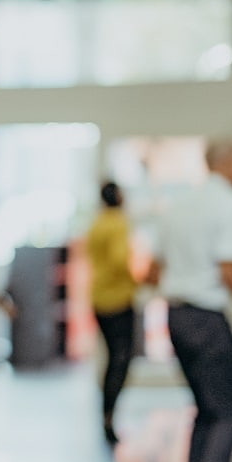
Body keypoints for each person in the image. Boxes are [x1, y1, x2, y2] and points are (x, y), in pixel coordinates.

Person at [148, 141, 232, 462]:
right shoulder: (225, 203)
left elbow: (151, 269)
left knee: (206, 407)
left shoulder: (180, 204)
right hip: (205, 312)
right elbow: (229, 270)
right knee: (226, 410)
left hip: (176, 314)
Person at [85, 181, 137, 446]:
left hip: (98, 297)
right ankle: (108, 415)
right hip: (118, 299)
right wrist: (136, 280)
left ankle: (106, 413)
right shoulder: (117, 223)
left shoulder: (98, 223)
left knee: (112, 359)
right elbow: (120, 261)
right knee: (120, 359)